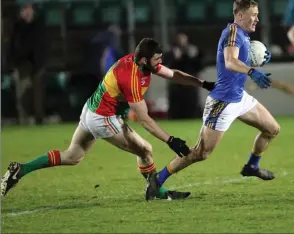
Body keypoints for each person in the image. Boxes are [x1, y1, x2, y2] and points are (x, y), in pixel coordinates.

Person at [1, 38, 215, 200]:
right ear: (143, 60)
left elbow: (174, 75)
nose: (160, 63)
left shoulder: (143, 64)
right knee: (146, 150)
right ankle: (156, 190)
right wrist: (171, 140)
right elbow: (144, 119)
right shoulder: (131, 77)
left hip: (91, 110)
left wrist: (202, 83)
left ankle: (21, 169)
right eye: (157, 59)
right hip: (102, 118)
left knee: (72, 156)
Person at [146, 0, 281, 200]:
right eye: (254, 15)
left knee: (272, 129)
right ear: (240, 15)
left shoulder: (242, 35)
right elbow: (230, 61)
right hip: (222, 103)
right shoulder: (233, 33)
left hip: (239, 98)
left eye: (258, 15)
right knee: (201, 153)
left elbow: (239, 58)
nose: (257, 19)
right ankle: (158, 181)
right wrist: (252, 71)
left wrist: (258, 58)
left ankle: (252, 166)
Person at [9, 3, 46, 125]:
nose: (28, 12)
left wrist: (40, 62)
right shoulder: (17, 27)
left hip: (37, 64)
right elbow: (14, 47)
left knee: (38, 95)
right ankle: (23, 119)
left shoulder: (39, 26)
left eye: (29, 9)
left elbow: (42, 46)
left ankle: (39, 118)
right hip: (22, 65)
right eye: (25, 10)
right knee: (22, 94)